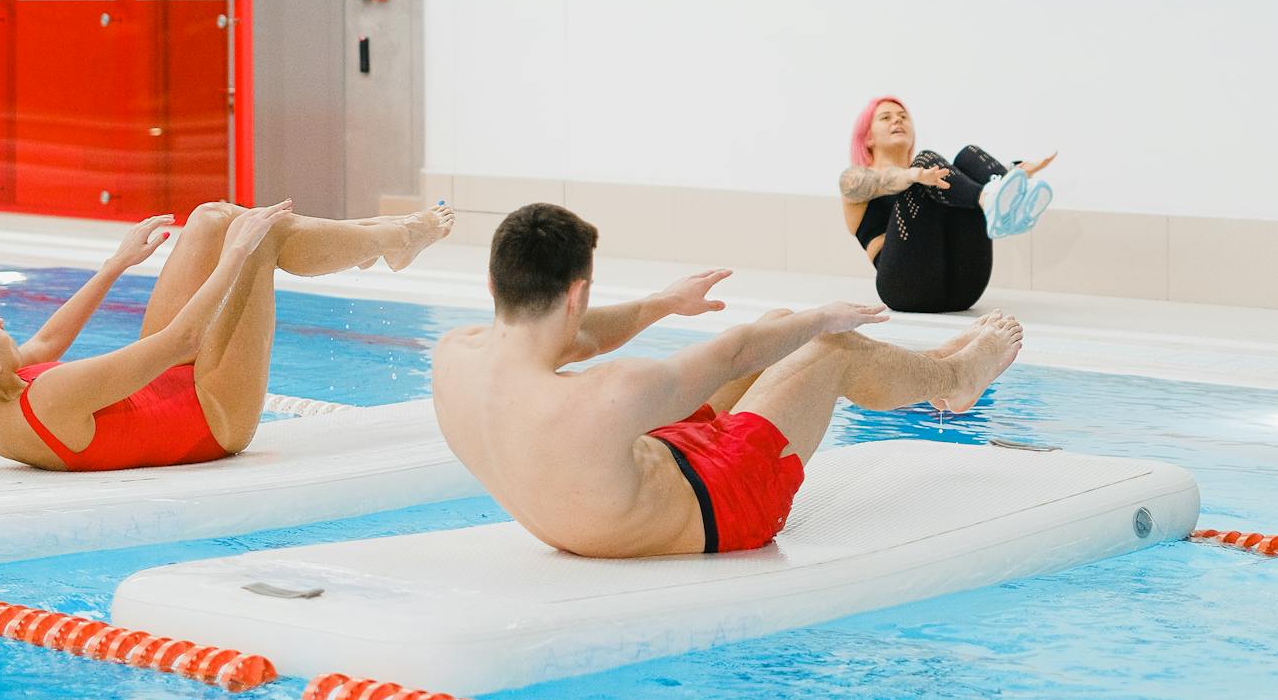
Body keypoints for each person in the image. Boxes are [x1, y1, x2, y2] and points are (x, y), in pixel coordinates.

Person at [432, 201, 1021, 559]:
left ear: (494, 285)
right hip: (720, 508)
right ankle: (959, 375)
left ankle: (925, 367)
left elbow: (570, 334)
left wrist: (661, 304)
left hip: (620, 492)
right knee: (827, 347)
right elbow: (732, 354)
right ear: (578, 292)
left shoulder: (454, 358)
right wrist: (829, 317)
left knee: (777, 326)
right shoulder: (611, 394)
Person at [0, 198, 455, 471]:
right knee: (259, 237)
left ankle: (379, 241)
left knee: (211, 216)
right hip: (212, 414)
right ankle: (392, 237)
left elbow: (48, 345)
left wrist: (115, 264)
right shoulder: (47, 397)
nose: (7, 325)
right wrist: (239, 253)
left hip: (167, 387)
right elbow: (183, 341)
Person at [839, 97, 1055, 315]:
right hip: (906, 289)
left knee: (968, 156)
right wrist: (914, 175)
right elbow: (877, 181)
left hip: (964, 287)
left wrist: (1014, 173)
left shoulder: (926, 174)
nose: (898, 121)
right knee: (926, 165)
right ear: (867, 138)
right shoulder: (854, 178)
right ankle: (990, 199)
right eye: (886, 118)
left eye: (903, 117)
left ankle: (1006, 199)